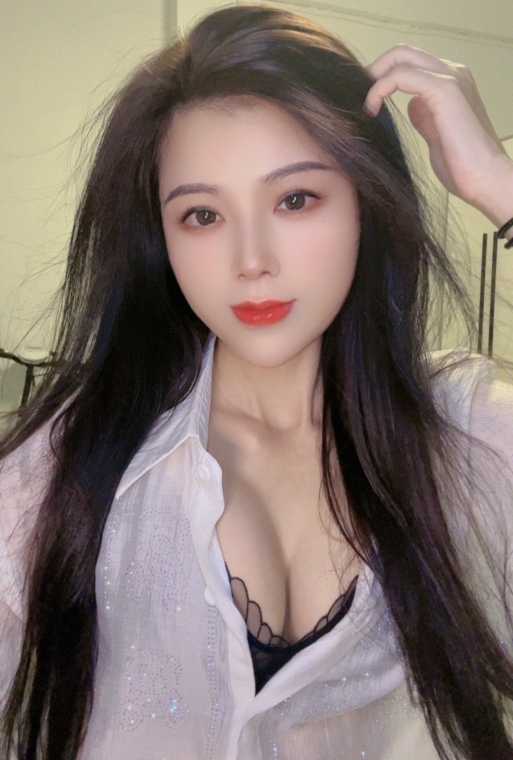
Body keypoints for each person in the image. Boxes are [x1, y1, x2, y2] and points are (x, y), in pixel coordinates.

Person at [1, 4, 513, 759]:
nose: (251, 262)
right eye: (202, 215)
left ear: (365, 202)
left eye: (295, 199)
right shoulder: (70, 461)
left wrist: (502, 188)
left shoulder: (468, 430)